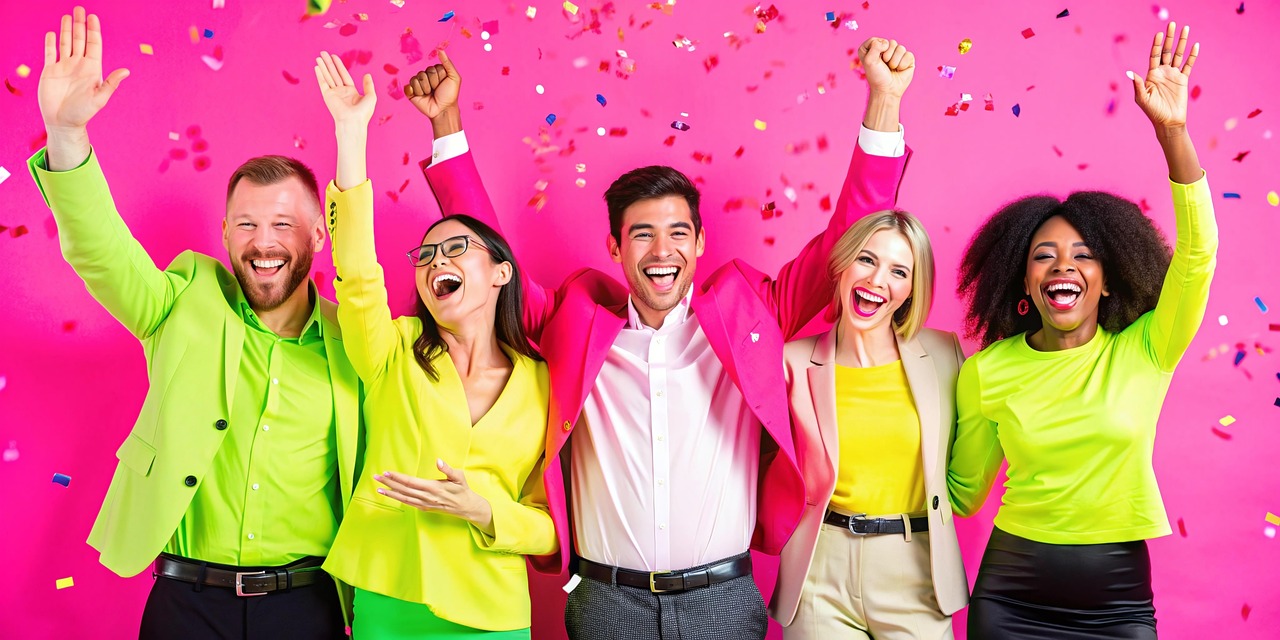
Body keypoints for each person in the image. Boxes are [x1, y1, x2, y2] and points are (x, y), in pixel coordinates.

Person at [405, 38, 915, 640]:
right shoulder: (574, 322)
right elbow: (490, 258)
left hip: (722, 598)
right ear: (615, 248)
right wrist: (446, 124)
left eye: (677, 232)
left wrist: (884, 102)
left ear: (699, 243)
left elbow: (846, 241)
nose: (661, 250)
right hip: (605, 601)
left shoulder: (751, 315)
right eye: (642, 234)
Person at [28, 7, 361, 638]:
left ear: (319, 235)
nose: (264, 242)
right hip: (187, 605)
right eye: (247, 224)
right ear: (227, 233)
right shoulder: (181, 301)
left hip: (307, 606)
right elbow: (102, 252)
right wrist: (66, 134)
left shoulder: (356, 343)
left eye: (283, 224)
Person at [947, 23, 1215, 639]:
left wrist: (1173, 133)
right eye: (1044, 256)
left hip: (1117, 600)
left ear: (1108, 281)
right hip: (1010, 598)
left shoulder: (1147, 349)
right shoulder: (988, 371)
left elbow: (1198, 256)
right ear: (1023, 283)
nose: (1063, 266)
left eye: (1084, 256)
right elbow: (961, 493)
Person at [312, 52, 556, 639]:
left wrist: (483, 510)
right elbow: (358, 274)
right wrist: (351, 133)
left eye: (456, 248)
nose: (435, 260)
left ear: (501, 273)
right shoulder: (392, 349)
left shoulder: (543, 380)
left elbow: (550, 527)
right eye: (425, 255)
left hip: (494, 612)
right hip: (393, 593)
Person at [772, 211, 968, 639]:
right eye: (866, 259)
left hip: (917, 569)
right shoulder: (791, 362)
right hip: (821, 571)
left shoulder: (944, 355)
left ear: (912, 289)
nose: (877, 280)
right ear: (842, 264)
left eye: (899, 271)